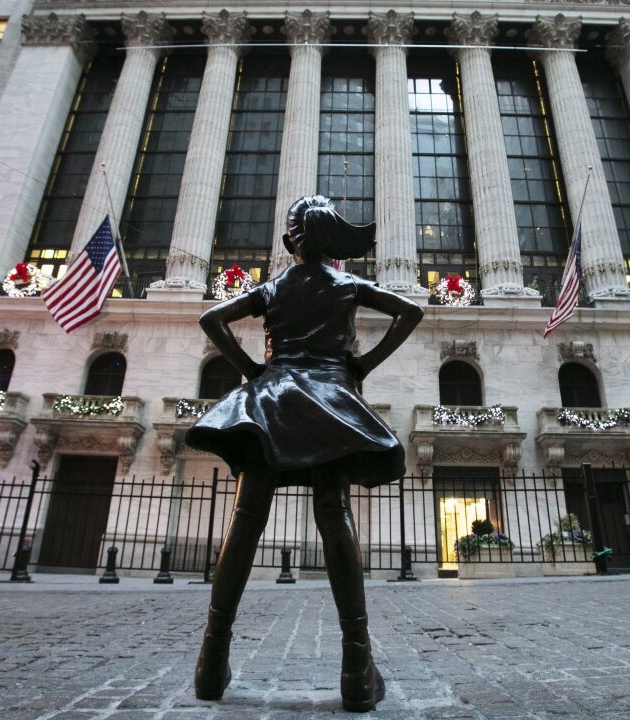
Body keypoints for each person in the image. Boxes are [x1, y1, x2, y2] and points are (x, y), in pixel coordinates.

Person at [185, 195, 423, 712]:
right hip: (328, 397)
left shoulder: (272, 286)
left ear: (291, 241)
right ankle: (357, 665)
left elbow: (211, 319)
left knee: (245, 521)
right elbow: (410, 311)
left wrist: (252, 372)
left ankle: (211, 660)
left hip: (270, 399)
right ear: (333, 243)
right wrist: (361, 366)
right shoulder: (347, 284)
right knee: (334, 517)